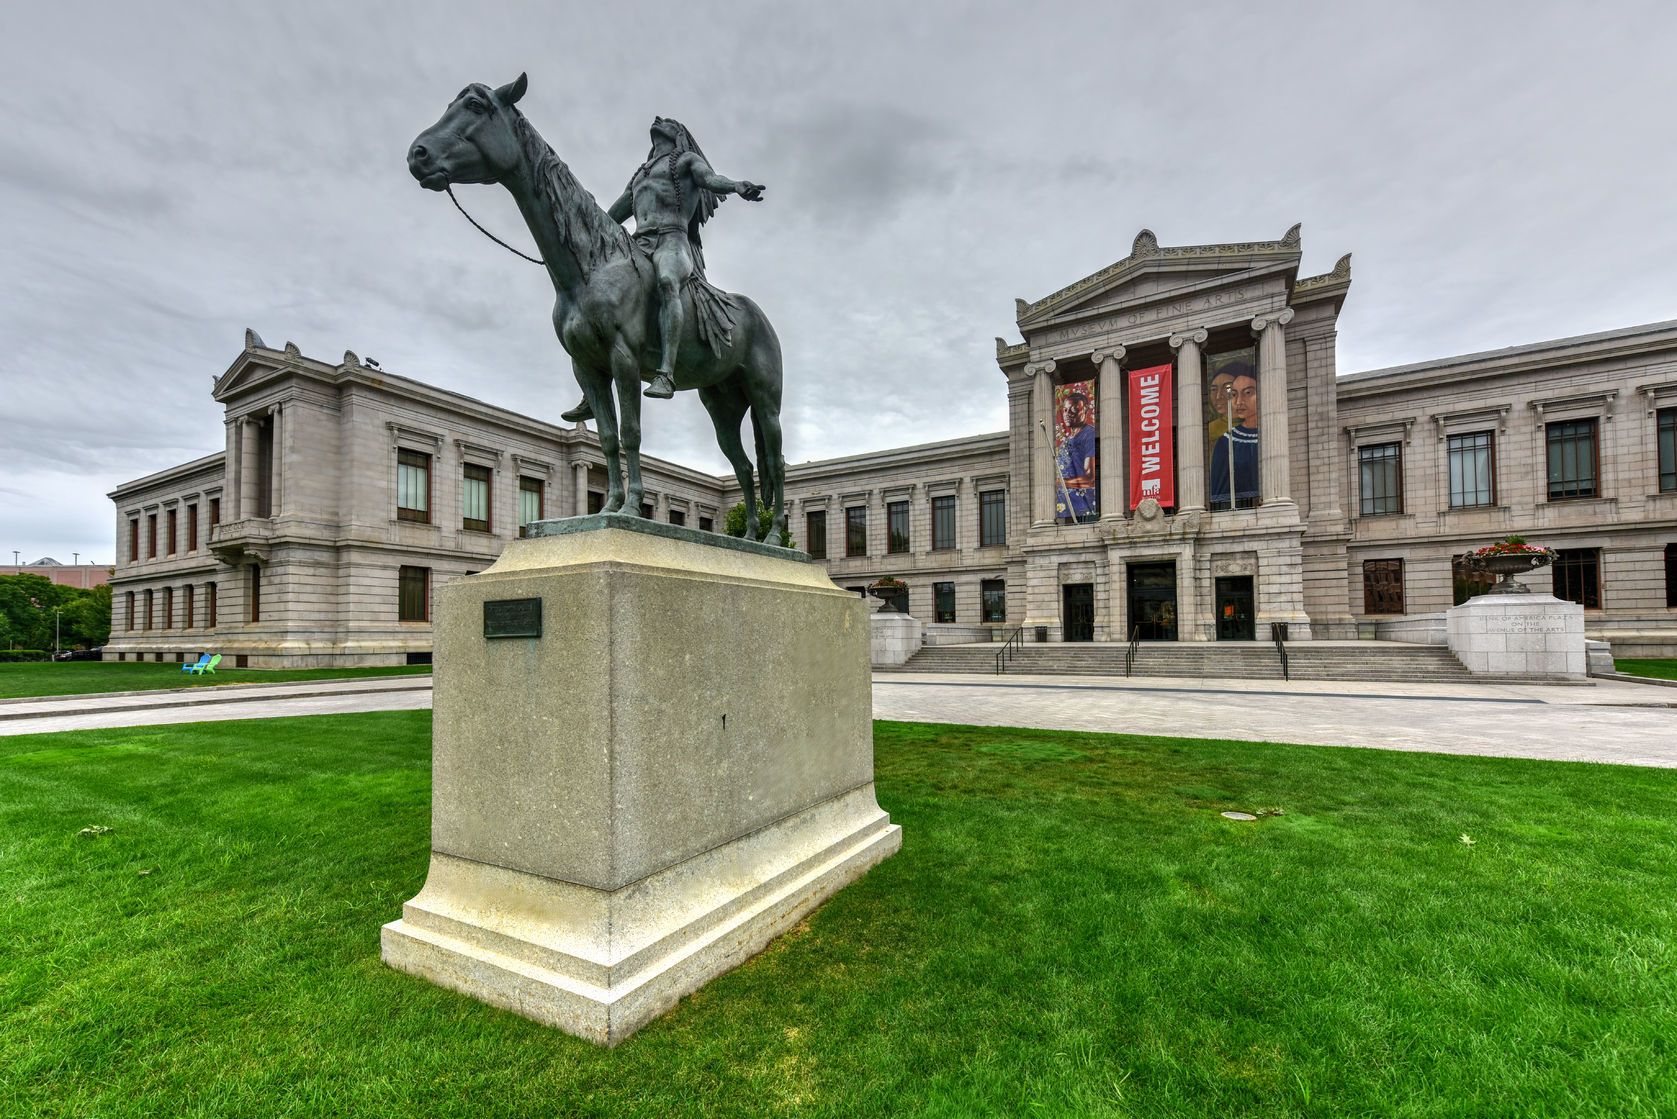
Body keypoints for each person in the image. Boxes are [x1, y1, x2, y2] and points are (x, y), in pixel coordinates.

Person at [560, 117, 765, 422]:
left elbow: (710, 179)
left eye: (667, 121)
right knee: (601, 293)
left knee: (668, 281)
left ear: (678, 133)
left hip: (673, 241)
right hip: (639, 243)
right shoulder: (641, 174)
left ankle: (666, 372)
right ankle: (594, 386)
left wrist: (735, 186)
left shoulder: (685, 161)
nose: (658, 120)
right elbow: (613, 214)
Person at [1208, 370, 1259, 508]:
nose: (1239, 401)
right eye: (1234, 394)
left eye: (1248, 393)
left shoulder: (1271, 434)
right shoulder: (1226, 441)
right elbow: (1219, 487)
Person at [1055, 389, 1098, 522]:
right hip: (1067, 505)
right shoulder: (1066, 441)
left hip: (1083, 504)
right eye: (1066, 410)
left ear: (1085, 410)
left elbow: (1089, 478)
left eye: (1074, 409)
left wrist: (1061, 483)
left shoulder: (1088, 434)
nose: (1068, 414)